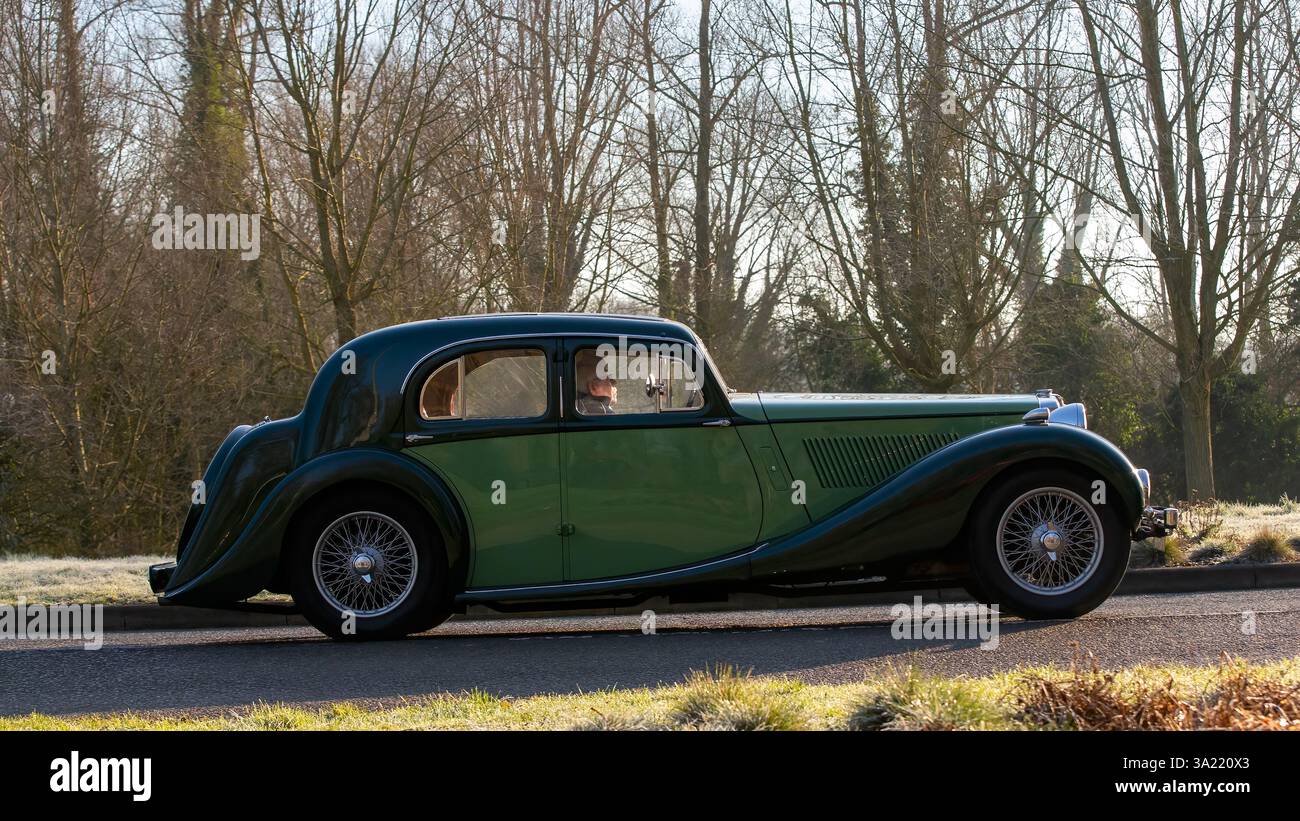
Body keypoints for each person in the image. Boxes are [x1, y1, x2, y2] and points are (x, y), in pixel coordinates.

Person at [575, 350, 617, 414]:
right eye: (608, 378)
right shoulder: (602, 413)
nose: (614, 383)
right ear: (593, 387)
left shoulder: (581, 407)